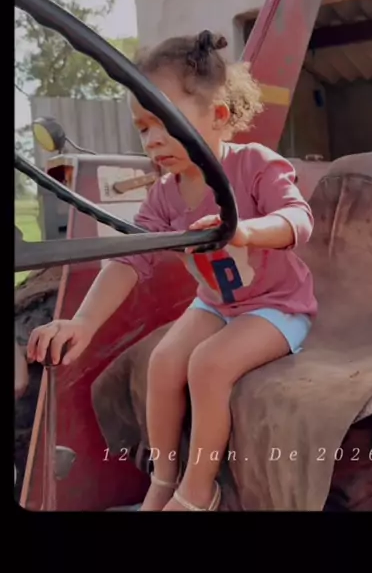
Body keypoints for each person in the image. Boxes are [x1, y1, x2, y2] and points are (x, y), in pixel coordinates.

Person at [27, 30, 317, 512]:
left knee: (208, 365)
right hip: (216, 304)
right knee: (163, 363)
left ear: (218, 116)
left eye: (165, 122)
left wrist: (245, 231)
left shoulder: (255, 165)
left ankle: (200, 488)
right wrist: (82, 322)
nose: (153, 140)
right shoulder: (164, 194)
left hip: (276, 307)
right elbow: (129, 259)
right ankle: (163, 479)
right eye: (143, 129)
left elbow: (297, 219)